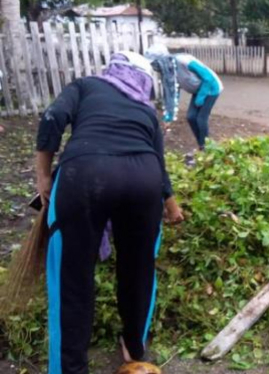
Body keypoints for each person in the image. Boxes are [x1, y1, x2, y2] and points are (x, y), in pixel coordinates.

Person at [36, 51, 184, 374]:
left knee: (71, 279)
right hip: (144, 181)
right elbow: (158, 163)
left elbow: (51, 117)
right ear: (144, 81)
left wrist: (43, 176)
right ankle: (134, 348)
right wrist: (171, 204)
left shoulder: (85, 86)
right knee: (139, 269)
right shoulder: (146, 110)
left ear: (111, 70)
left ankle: (70, 368)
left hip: (84, 176)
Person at [146, 45, 223, 151]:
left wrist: (201, 97)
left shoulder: (184, 61)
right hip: (198, 90)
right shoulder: (169, 71)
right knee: (191, 117)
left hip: (211, 88)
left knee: (201, 119)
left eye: (156, 63)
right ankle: (201, 144)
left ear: (162, 59)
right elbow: (173, 93)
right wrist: (169, 116)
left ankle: (206, 147)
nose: (155, 67)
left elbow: (208, 78)